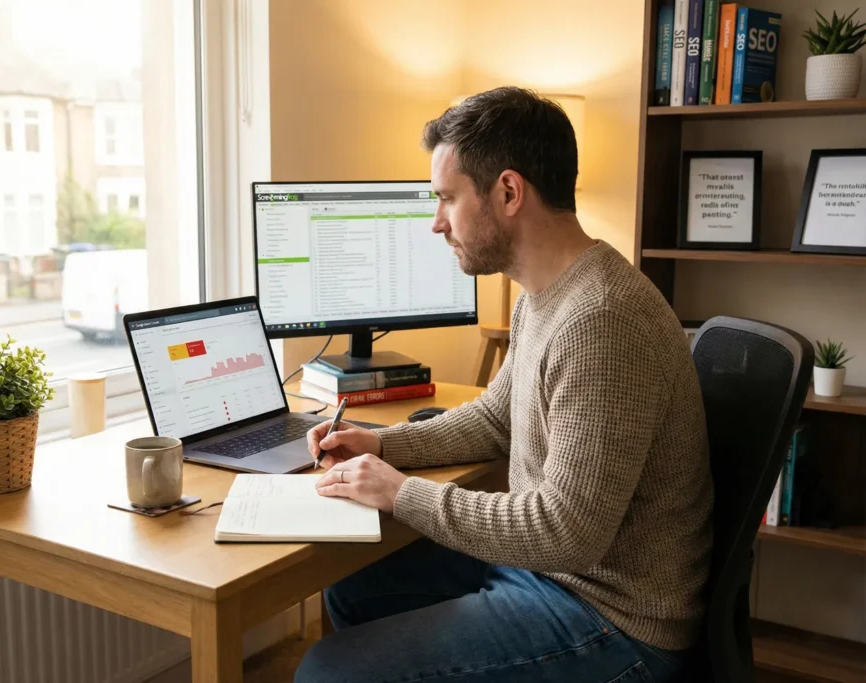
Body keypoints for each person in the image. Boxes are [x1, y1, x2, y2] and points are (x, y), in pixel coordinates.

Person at [294, 86, 714, 683]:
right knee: (355, 589)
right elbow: (497, 418)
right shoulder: (545, 294)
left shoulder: (602, 321)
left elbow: (566, 533)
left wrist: (400, 492)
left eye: (446, 199)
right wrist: (383, 445)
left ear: (509, 192)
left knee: (328, 672)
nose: (437, 222)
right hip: (552, 578)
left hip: (612, 619)